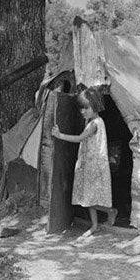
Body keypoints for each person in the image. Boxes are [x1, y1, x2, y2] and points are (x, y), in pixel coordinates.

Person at [52, 88, 116, 238]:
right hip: (88, 164)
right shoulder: (92, 121)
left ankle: (110, 211)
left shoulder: (95, 124)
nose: (83, 111)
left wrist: (59, 135)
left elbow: (80, 138)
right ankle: (94, 225)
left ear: (95, 105)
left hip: (94, 165)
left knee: (89, 198)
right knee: (88, 196)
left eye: (86, 108)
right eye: (81, 108)